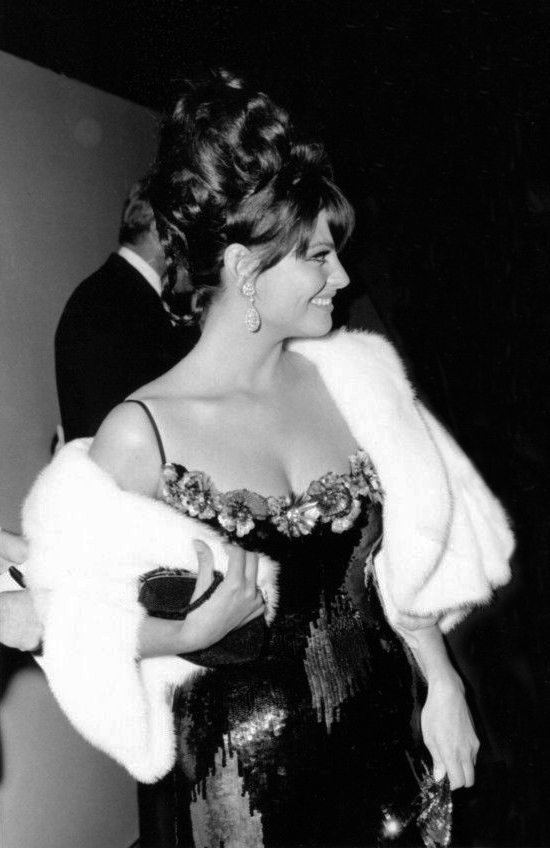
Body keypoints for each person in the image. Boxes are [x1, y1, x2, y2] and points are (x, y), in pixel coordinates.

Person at [15, 71, 513, 848]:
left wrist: (443, 680)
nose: (342, 277)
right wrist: (186, 632)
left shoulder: (352, 381)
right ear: (248, 272)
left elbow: (398, 561)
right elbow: (62, 618)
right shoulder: (141, 433)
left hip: (391, 775)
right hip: (240, 803)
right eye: (318, 257)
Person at [55, 179, 200, 440]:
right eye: (194, 234)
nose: (204, 253)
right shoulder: (104, 305)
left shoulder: (118, 295)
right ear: (159, 230)